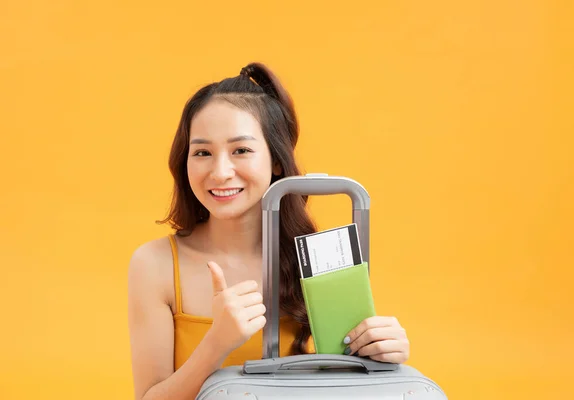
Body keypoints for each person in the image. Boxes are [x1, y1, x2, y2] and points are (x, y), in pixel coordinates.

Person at [127, 62, 410, 400]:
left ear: (276, 160)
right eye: (202, 152)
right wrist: (216, 343)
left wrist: (380, 348)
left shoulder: (318, 259)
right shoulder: (154, 264)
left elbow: (344, 377)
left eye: (241, 150)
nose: (220, 172)